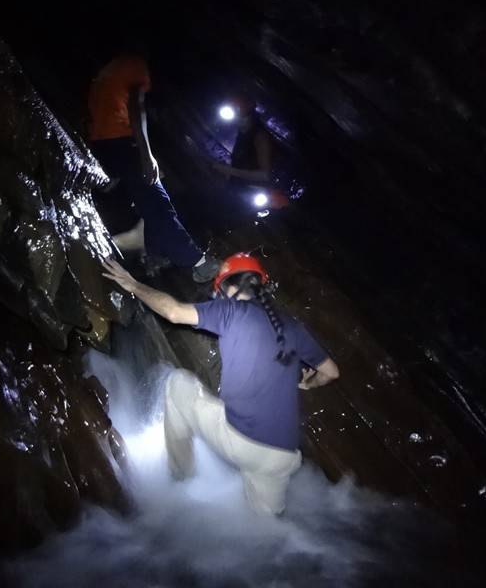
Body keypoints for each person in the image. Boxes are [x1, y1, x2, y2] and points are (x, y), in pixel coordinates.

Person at [103, 252, 339, 515]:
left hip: (240, 441)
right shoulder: (292, 326)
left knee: (177, 384)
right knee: (267, 530)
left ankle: (179, 478)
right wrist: (309, 384)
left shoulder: (230, 309)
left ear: (228, 287)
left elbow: (173, 311)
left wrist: (134, 285)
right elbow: (331, 372)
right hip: (282, 456)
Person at [87, 52, 218, 282]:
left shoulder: (111, 68)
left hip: (101, 143)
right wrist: (146, 155)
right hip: (121, 141)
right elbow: (137, 108)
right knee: (156, 200)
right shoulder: (135, 65)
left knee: (146, 198)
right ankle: (196, 261)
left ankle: (154, 254)